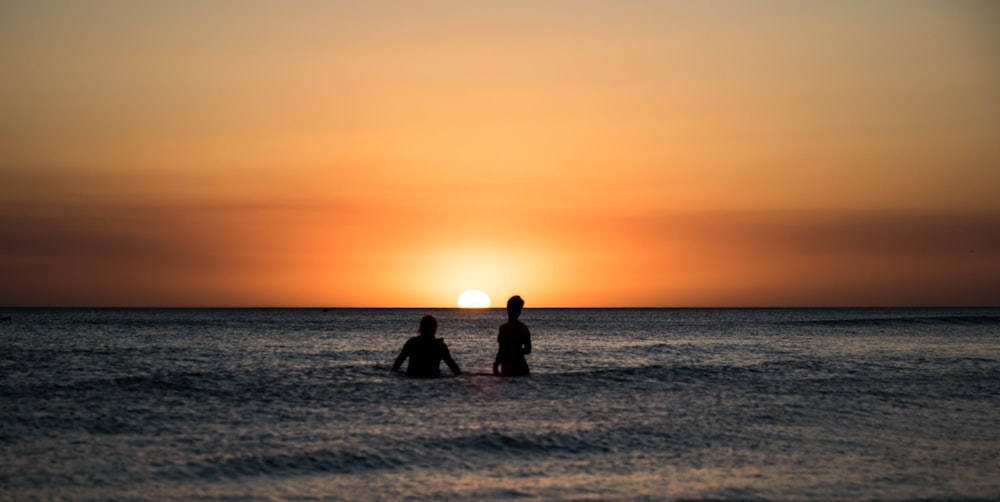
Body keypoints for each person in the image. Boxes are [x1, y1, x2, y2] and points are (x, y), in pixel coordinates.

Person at [392, 315, 462, 378]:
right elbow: (454, 368)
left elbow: (397, 365)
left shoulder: (412, 342)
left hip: (413, 377)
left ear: (421, 328)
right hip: (434, 378)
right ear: (435, 329)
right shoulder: (440, 346)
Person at [493, 295, 531, 376]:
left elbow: (528, 349)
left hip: (518, 366)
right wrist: (496, 365)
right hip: (507, 366)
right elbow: (501, 349)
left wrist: (514, 352)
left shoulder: (522, 328)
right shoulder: (503, 328)